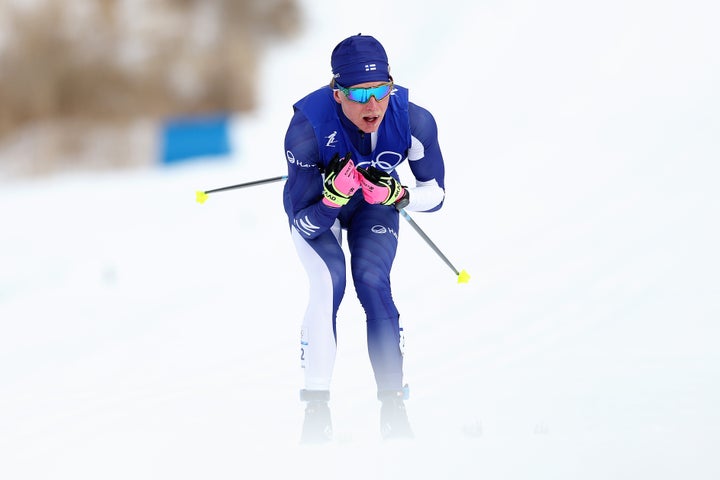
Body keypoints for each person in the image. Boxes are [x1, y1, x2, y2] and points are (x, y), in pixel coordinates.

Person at [282, 33, 446, 443]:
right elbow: (304, 224)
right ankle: (316, 416)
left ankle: (394, 412)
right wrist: (332, 199)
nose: (373, 105)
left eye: (381, 90)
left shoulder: (413, 120)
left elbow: (437, 195)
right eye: (360, 93)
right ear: (337, 93)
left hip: (375, 202)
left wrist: (398, 195)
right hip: (320, 209)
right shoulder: (307, 128)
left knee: (373, 282)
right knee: (327, 282)